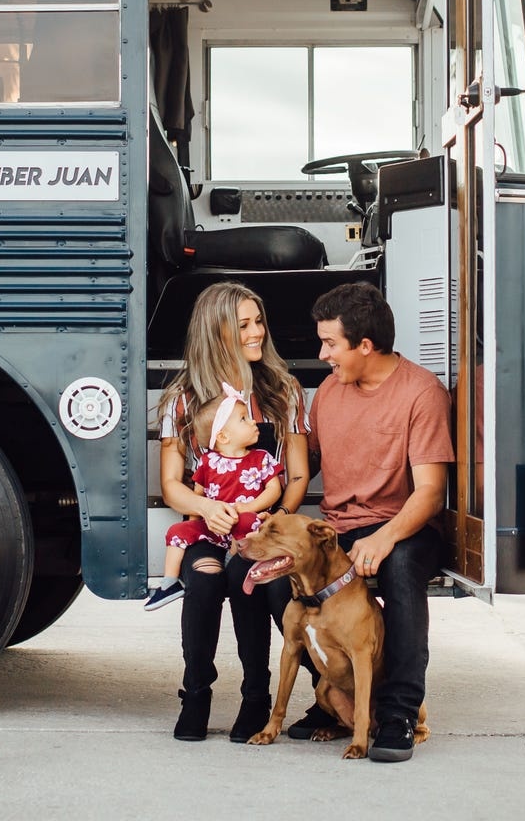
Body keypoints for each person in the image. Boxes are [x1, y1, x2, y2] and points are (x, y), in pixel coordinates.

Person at [296, 281, 453, 763]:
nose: (323, 355)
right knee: (264, 577)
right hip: (340, 529)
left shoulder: (420, 392)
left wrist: (384, 539)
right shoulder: (329, 390)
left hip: (403, 525)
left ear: (365, 346)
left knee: (401, 570)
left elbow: (430, 491)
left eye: (330, 344)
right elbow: (309, 464)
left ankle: (400, 711)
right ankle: (335, 694)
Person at [157, 281, 309, 743]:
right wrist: (209, 507)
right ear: (216, 333)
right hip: (208, 528)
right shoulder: (185, 398)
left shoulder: (283, 391)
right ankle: (196, 694)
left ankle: (256, 697)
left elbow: (297, 477)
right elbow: (171, 485)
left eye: (258, 321)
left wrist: (272, 518)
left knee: (251, 578)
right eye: (243, 325)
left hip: (263, 528)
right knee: (203, 581)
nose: (256, 332)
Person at [146, 385, 283, 611]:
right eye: (243, 419)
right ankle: (169, 582)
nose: (252, 422)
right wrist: (193, 524)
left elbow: (273, 490)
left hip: (244, 525)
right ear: (222, 435)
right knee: (176, 532)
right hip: (213, 527)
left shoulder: (261, 458)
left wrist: (249, 507)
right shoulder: (208, 461)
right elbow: (198, 496)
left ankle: (232, 563)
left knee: (250, 522)